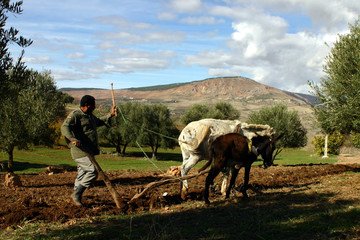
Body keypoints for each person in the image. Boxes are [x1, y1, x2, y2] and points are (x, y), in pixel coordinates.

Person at [61, 95, 117, 206]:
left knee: (82, 175)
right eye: (93, 106)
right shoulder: (76, 115)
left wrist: (110, 115)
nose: (94, 108)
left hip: (88, 151)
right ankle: (76, 195)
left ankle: (75, 201)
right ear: (86, 105)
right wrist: (73, 139)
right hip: (80, 151)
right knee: (92, 172)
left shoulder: (89, 115)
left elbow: (99, 122)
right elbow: (64, 127)